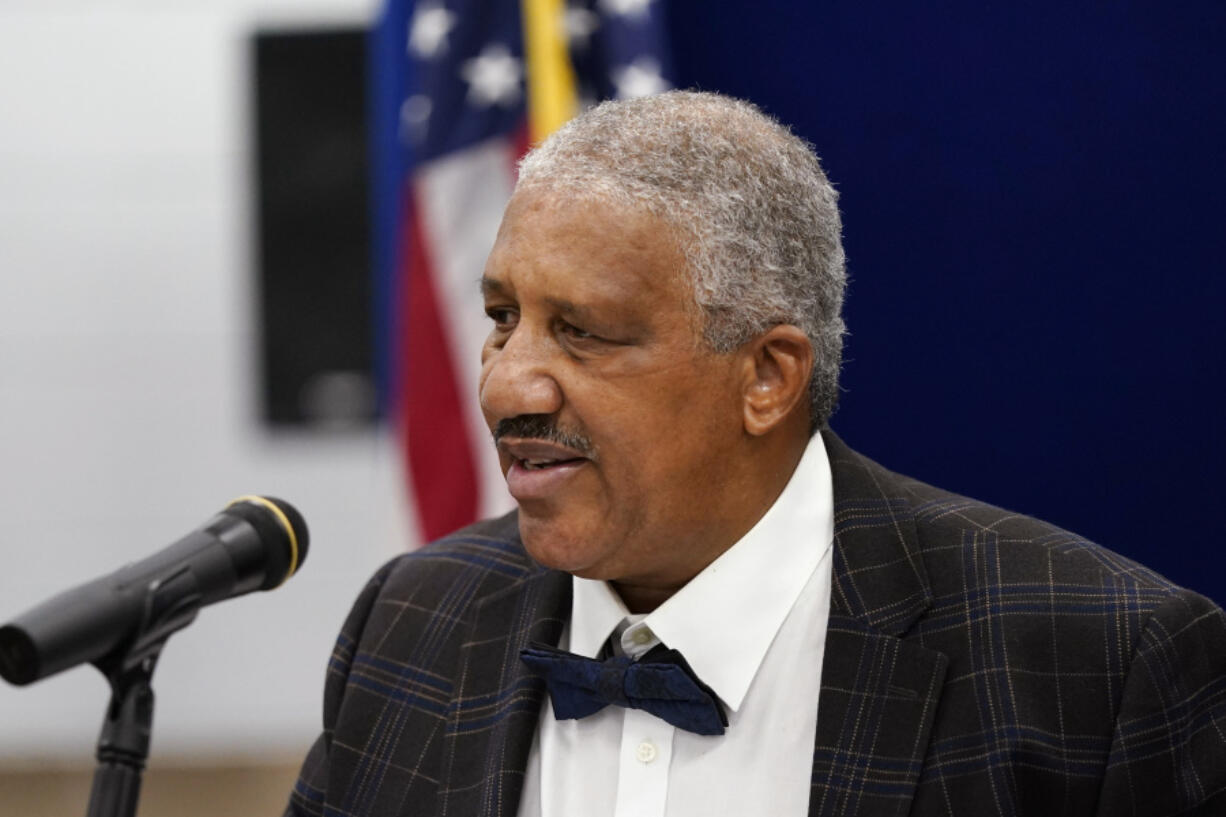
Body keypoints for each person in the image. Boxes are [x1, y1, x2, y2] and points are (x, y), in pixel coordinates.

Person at [285, 91, 1226, 817]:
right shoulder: (409, 625)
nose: (503, 386)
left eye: (582, 332)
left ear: (768, 377)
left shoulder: (1097, 665)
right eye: (502, 318)